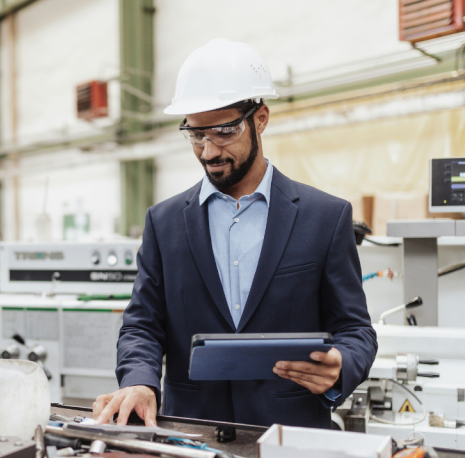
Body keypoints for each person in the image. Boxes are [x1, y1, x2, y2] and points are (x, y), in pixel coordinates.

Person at [93, 39, 377, 429]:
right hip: (191, 433)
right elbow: (142, 324)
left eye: (224, 131)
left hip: (290, 433)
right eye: (195, 135)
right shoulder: (165, 222)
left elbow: (355, 329)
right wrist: (141, 381)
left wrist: (343, 365)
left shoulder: (325, 218)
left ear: (260, 119)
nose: (208, 151)